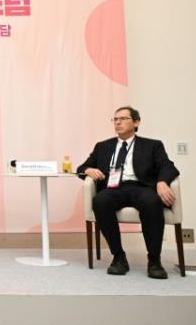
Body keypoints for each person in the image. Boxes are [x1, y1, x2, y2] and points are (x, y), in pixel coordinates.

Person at [77, 106, 179, 279]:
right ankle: (118, 257)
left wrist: (162, 182)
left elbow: (167, 166)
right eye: (115, 119)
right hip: (114, 188)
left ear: (136, 122)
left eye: (123, 119)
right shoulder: (103, 146)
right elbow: (81, 167)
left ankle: (154, 260)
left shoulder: (152, 145)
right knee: (100, 201)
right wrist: (88, 170)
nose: (118, 122)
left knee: (152, 202)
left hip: (142, 187)